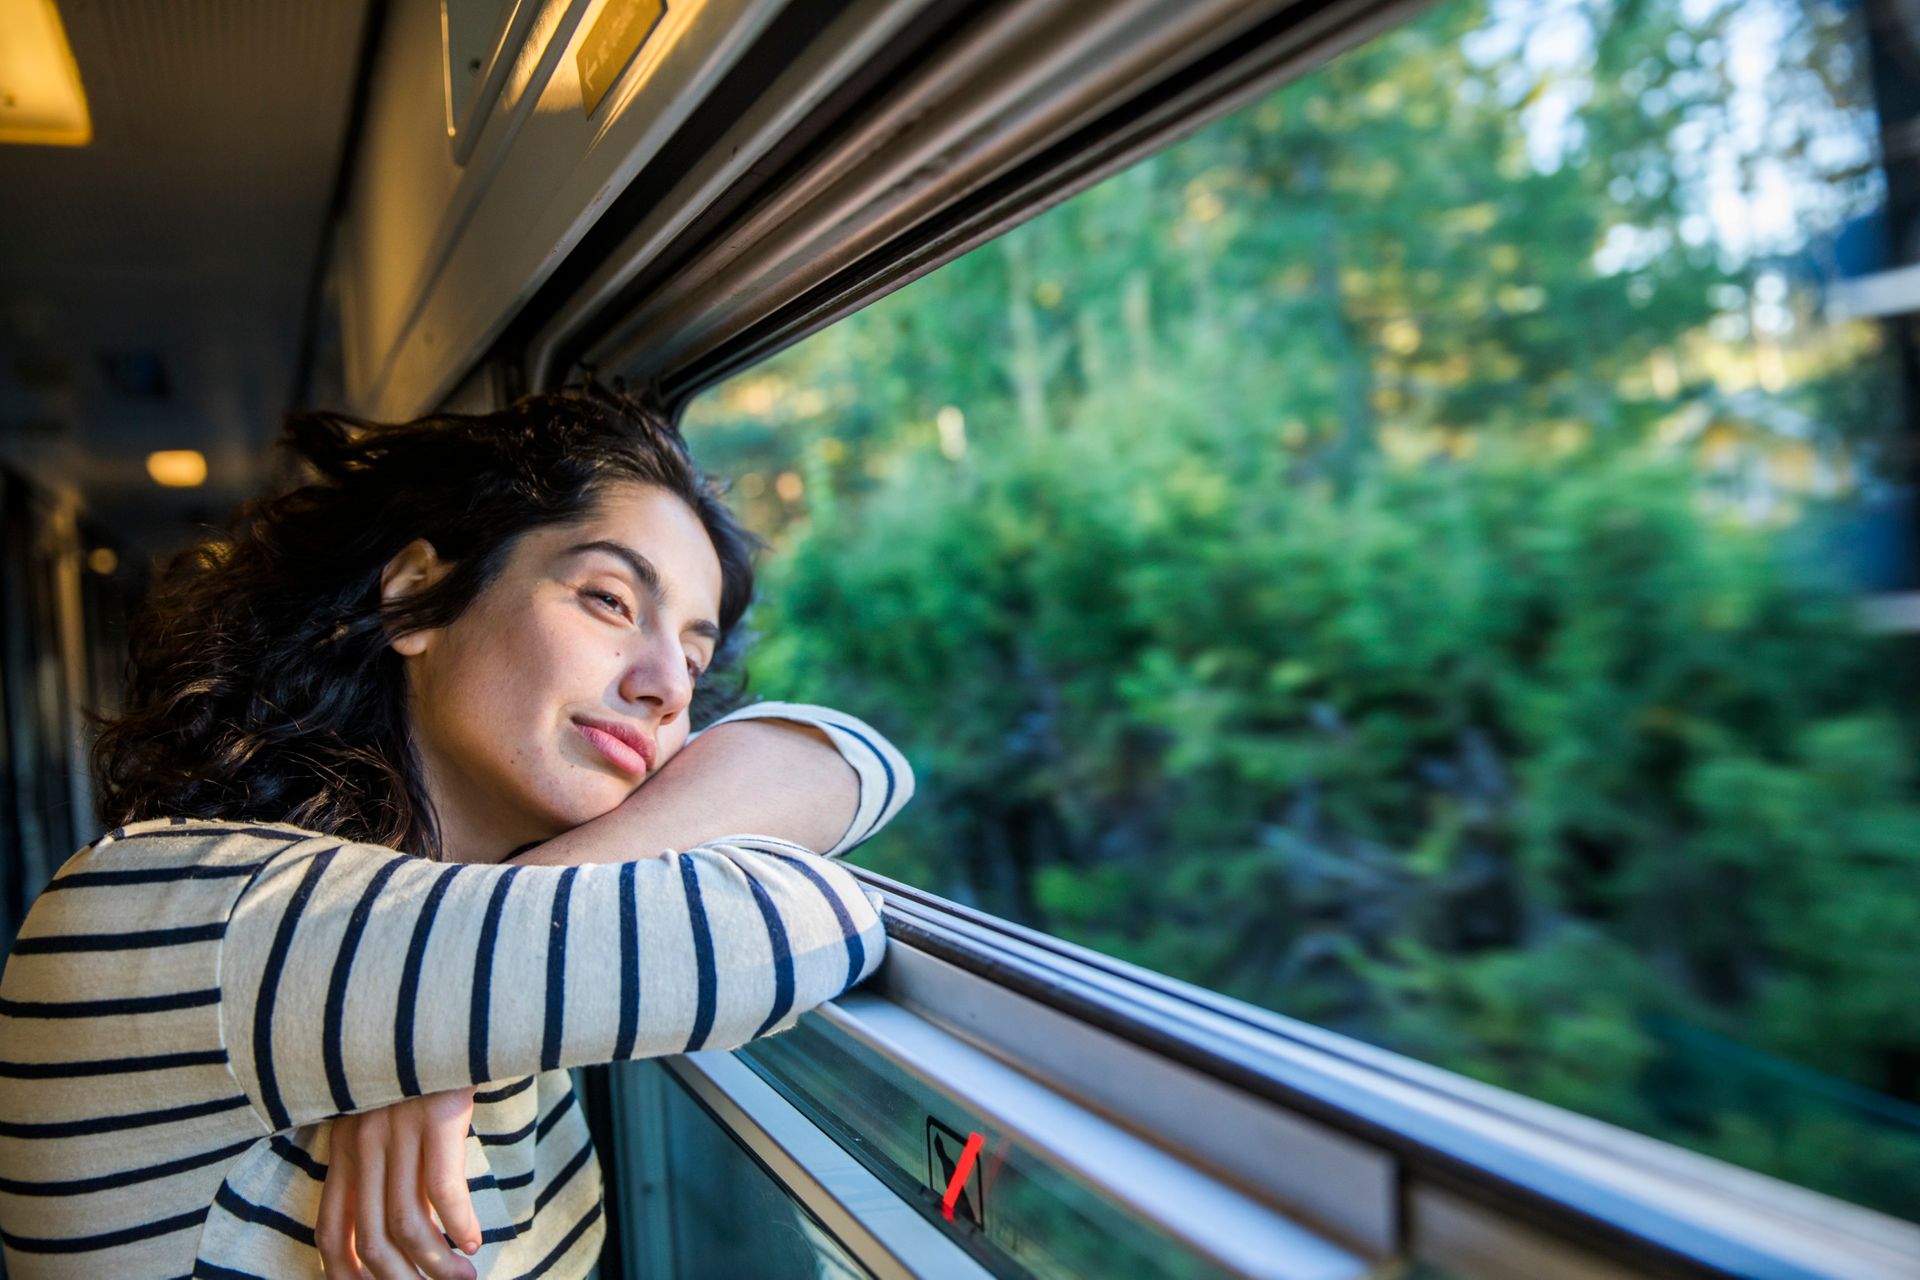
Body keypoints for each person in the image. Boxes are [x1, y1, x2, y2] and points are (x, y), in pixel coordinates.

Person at [0, 389, 912, 1278]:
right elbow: (810, 920)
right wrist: (442, 1008)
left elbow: (854, 761)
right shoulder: (185, 919)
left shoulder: (510, 965)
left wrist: (446, 1034)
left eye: (695, 654)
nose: (669, 686)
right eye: (609, 600)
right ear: (412, 601)